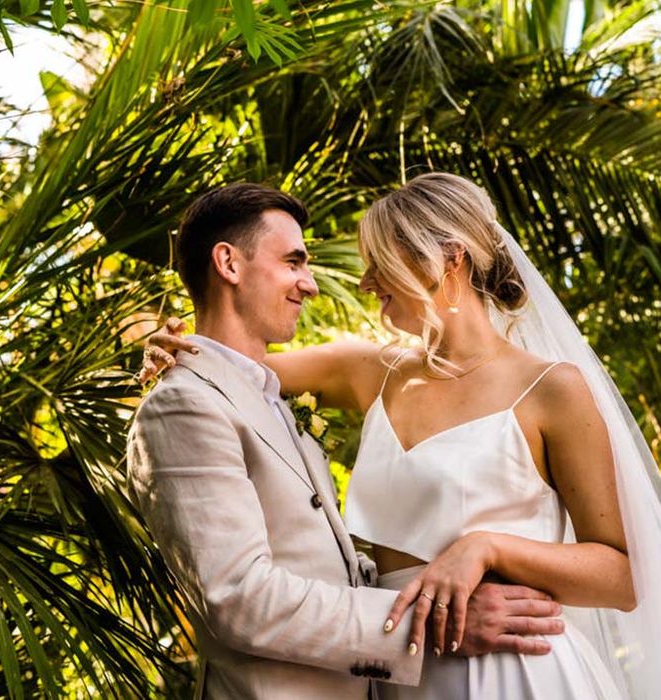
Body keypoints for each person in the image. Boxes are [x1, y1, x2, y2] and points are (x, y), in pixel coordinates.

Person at [142, 174, 661, 699]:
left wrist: (486, 549)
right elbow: (231, 366)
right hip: (396, 670)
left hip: (512, 671)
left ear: (449, 260)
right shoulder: (371, 371)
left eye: (380, 261)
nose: (365, 282)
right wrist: (169, 344)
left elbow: (623, 575)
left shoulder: (553, 389)